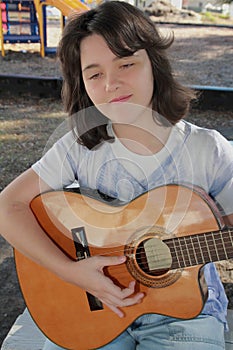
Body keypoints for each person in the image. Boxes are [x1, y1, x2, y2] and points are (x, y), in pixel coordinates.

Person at [0, 1, 233, 349]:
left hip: (186, 312)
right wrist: (71, 271)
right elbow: (8, 206)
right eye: (94, 74)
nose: (112, 83)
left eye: (126, 63)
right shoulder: (80, 146)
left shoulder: (207, 150)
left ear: (154, 64)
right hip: (92, 304)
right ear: (82, 83)